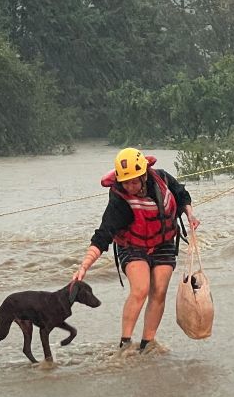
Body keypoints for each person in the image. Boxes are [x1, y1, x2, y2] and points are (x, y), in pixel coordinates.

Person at [71, 148, 198, 352]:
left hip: (163, 242)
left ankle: (147, 344)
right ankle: (126, 344)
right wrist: (84, 266)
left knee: (159, 290)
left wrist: (190, 215)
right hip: (133, 245)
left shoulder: (162, 178)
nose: (130, 186)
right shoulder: (120, 201)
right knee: (140, 289)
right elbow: (104, 234)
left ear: (144, 175)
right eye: (125, 182)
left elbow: (182, 195)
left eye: (134, 181)